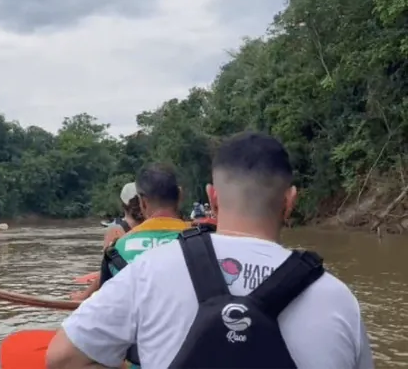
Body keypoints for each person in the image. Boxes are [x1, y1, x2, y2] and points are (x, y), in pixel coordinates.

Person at [46, 132, 374, 369]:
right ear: (290, 201)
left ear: (212, 197)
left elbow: (60, 359)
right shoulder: (338, 298)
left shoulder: (148, 272)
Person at [74, 165, 192, 369]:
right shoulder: (208, 240)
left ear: (143, 202)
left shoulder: (118, 248)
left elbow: (104, 311)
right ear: (180, 196)